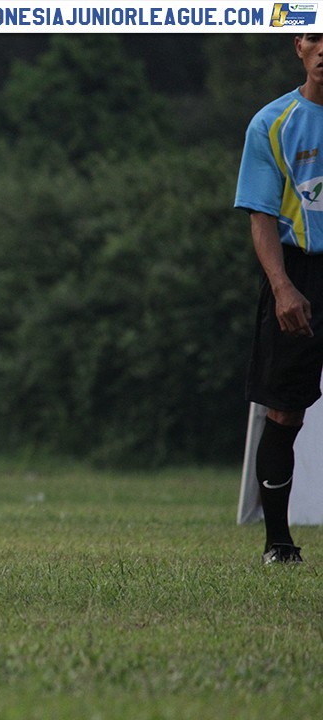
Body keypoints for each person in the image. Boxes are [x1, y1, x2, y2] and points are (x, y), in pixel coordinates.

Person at [235, 33, 323, 565]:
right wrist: (282, 286)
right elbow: (260, 213)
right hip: (298, 272)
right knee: (285, 410)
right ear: (299, 47)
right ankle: (278, 542)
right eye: (316, 38)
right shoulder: (271, 121)